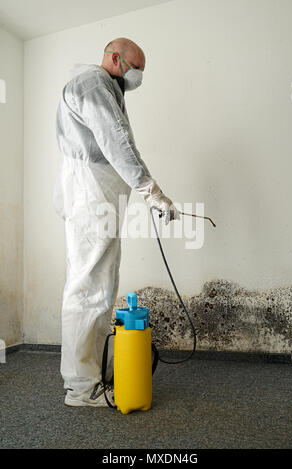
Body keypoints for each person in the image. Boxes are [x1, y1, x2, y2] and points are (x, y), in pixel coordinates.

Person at [53, 37, 179, 407]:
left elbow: (119, 143)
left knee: (101, 284)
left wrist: (145, 190)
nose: (138, 76)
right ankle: (80, 387)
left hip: (96, 192)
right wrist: (152, 192)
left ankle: (89, 375)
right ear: (114, 57)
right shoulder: (92, 83)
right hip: (90, 192)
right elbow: (117, 141)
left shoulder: (105, 88)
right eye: (135, 67)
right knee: (89, 286)